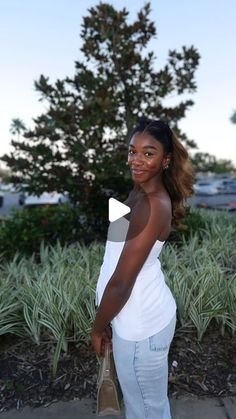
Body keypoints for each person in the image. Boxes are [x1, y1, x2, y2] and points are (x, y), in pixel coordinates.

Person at [91, 117, 195, 419]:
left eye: (148, 153)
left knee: (146, 412)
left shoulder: (152, 204)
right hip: (130, 315)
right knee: (147, 407)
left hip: (141, 328)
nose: (136, 160)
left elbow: (121, 283)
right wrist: (109, 316)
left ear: (165, 160)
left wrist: (98, 327)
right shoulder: (138, 192)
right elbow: (115, 251)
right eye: (132, 151)